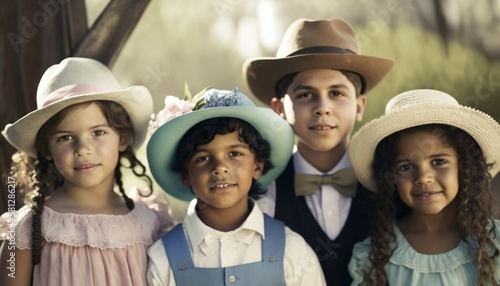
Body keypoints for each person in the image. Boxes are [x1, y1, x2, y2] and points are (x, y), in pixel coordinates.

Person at [242, 17, 394, 285]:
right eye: (305, 95)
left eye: (336, 93)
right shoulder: (262, 195)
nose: (322, 107)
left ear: (359, 106)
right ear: (279, 109)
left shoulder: (390, 185)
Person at [0, 57, 174, 286]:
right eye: (65, 137)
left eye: (98, 132)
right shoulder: (26, 229)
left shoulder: (149, 221)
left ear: (123, 138)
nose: (82, 149)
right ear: (47, 149)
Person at [146, 87, 326, 285]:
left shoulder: (293, 252)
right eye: (203, 158)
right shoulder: (162, 259)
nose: (220, 168)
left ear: (257, 166)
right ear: (185, 175)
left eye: (234, 154)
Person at [347, 89, 500, 286]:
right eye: (406, 167)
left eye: (438, 161)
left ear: (465, 167)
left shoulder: (493, 244)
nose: (423, 178)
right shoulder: (375, 253)